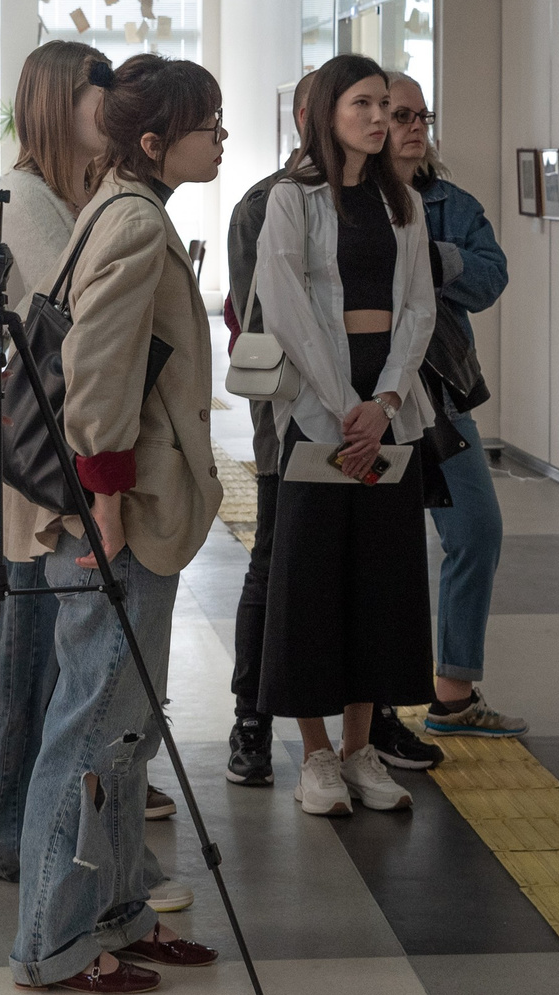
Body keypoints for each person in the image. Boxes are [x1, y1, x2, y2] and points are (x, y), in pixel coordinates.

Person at [10, 53, 223, 992]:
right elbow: (95, 372)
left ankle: (120, 910)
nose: (221, 138)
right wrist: (103, 503)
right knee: (93, 728)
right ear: (153, 141)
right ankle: (51, 943)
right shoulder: (134, 221)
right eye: (207, 124)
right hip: (117, 518)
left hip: (123, 511)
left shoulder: (119, 206)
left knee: (125, 732)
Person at [253, 56, 437, 817]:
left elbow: (419, 307)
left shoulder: (403, 202)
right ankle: (316, 757)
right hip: (318, 409)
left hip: (388, 409)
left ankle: (360, 749)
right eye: (363, 103)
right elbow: (286, 306)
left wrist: (385, 399)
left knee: (381, 582)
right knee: (311, 581)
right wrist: (344, 404)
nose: (380, 118)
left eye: (386, 105)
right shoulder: (291, 198)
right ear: (327, 111)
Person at [0, 42, 113, 883]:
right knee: (23, 657)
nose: (114, 104)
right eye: (102, 89)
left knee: (56, 652)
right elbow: (83, 300)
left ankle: (44, 821)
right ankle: (8, 833)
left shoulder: (80, 192)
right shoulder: (24, 195)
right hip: (33, 461)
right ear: (63, 99)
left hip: (62, 447)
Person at [386, 75, 525, 746]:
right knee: (380, 551)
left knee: (476, 530)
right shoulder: (336, 203)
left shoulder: (450, 203)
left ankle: (454, 691)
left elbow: (492, 274)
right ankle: (372, 708)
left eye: (423, 115)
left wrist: (432, 257)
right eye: (400, 115)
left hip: (441, 393)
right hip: (362, 400)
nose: (416, 126)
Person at [220, 65, 312, 787]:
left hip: (371, 419)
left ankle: (370, 716)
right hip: (287, 419)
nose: (387, 123)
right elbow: (265, 320)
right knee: (274, 561)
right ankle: (251, 716)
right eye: (369, 106)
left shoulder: (387, 201)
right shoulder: (264, 204)